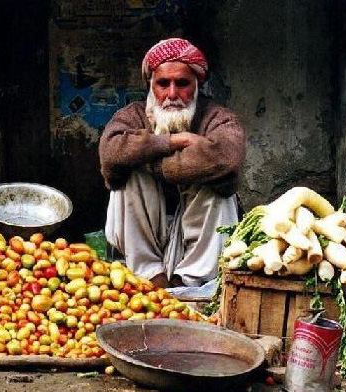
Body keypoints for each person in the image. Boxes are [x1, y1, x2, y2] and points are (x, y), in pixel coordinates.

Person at [98, 38, 246, 296]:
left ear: (197, 85)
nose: (172, 94)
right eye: (163, 84)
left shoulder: (218, 118)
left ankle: (186, 283)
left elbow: (226, 160)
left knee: (216, 185)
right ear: (151, 86)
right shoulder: (133, 115)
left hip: (200, 236)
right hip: (149, 230)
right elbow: (111, 153)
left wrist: (148, 159)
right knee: (126, 179)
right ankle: (152, 278)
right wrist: (178, 141)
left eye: (183, 83)